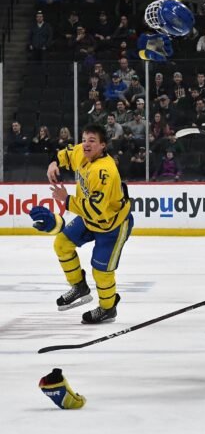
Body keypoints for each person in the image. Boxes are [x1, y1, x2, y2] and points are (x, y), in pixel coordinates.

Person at [30, 123, 133, 324]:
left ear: (103, 145)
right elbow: (65, 154)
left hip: (112, 225)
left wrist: (66, 200)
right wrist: (53, 163)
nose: (85, 144)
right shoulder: (82, 152)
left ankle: (108, 307)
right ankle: (79, 286)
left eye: (92, 141)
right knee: (61, 244)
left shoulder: (105, 171)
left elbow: (96, 210)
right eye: (84, 139)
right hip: (89, 220)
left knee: (101, 271)